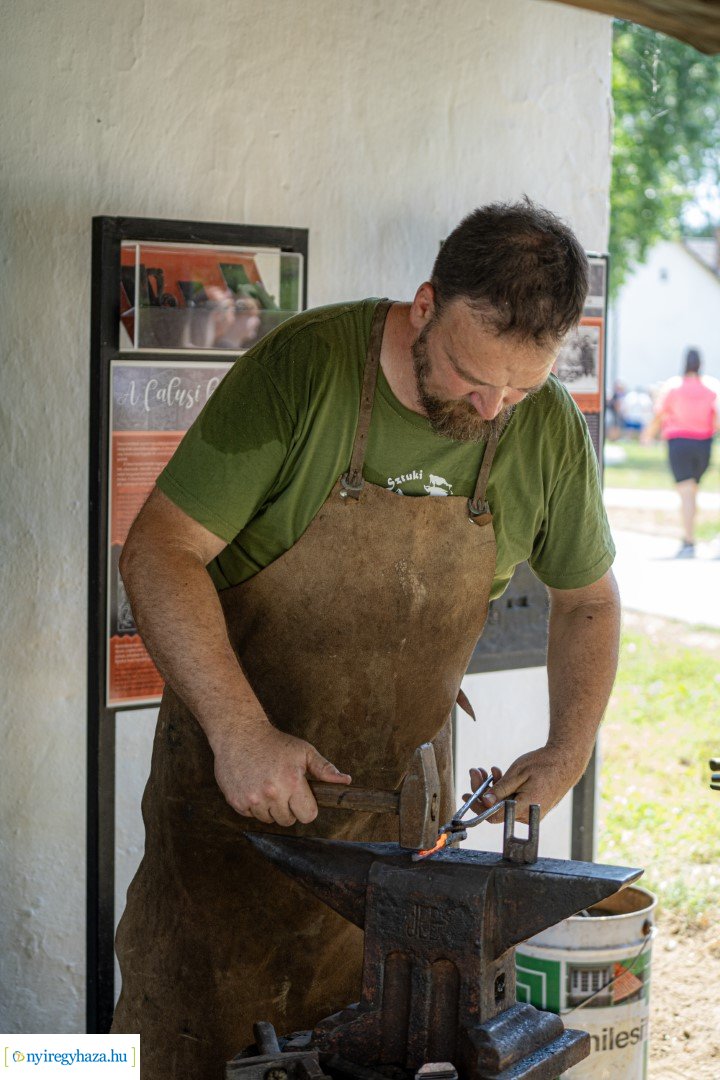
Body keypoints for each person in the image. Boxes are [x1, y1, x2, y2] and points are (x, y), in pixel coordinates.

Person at [112, 200, 620, 1079]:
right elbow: (159, 553)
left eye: (520, 387)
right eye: (471, 374)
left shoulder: (542, 431)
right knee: (170, 1047)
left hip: (401, 841)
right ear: (424, 306)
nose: (492, 407)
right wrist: (240, 731)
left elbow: (588, 603)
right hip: (232, 813)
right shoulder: (304, 371)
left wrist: (568, 746)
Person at [642, 349, 720, 557]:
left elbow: (660, 414)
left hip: (679, 443)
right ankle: (690, 536)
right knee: (693, 491)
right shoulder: (711, 387)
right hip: (704, 444)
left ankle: (688, 541)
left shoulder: (673, 387)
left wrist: (648, 435)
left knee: (686, 493)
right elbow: (717, 420)